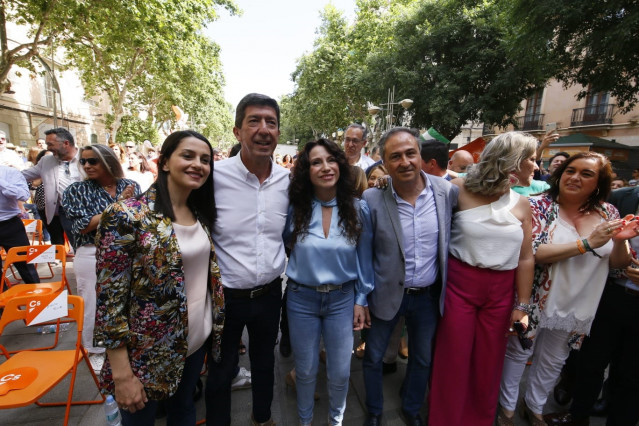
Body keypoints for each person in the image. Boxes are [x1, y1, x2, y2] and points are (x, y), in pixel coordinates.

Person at [93, 130, 225, 425]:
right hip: (144, 356)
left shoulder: (199, 213)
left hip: (194, 344)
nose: (198, 165)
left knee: (184, 413)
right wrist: (122, 374)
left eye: (205, 160)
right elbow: (109, 303)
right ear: (164, 162)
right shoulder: (126, 216)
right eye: (187, 155)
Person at [498, 152, 632, 425]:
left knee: (554, 358)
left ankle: (534, 407)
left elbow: (618, 266)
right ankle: (507, 408)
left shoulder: (609, 212)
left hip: (580, 301)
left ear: (599, 183)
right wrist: (587, 243)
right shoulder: (536, 206)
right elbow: (531, 252)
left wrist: (621, 242)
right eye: (571, 170)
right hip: (536, 296)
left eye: (586, 174)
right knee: (518, 352)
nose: (574, 177)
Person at [428, 132, 536, 425]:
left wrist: (522, 306)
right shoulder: (458, 190)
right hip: (459, 286)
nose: (536, 167)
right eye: (531, 159)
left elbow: (526, 258)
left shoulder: (524, 205)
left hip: (501, 291)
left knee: (489, 362)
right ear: (512, 162)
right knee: (453, 358)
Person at [362, 127, 458, 426]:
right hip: (386, 293)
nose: (404, 162)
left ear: (421, 156)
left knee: (422, 358)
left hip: (427, 296)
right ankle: (375, 411)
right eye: (395, 157)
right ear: (385, 163)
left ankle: (412, 408)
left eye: (410, 153)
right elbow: (364, 253)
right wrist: (362, 298)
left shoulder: (446, 192)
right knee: (374, 357)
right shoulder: (372, 197)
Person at [206, 93, 289, 426]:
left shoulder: (287, 181)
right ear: (238, 131)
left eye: (271, 122)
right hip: (223, 298)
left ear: (278, 133)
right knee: (222, 371)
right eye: (254, 121)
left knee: (265, 363)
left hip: (269, 294)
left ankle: (263, 417)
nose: (263, 129)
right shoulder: (212, 177)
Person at [285, 138, 374, 426]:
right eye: (316, 162)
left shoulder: (359, 209)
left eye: (331, 160)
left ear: (340, 164)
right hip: (301, 298)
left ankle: (335, 421)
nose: (325, 167)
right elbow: (286, 244)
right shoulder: (294, 208)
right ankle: (305, 422)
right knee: (306, 370)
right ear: (306, 170)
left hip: (342, 299)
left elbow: (365, 258)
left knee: (340, 372)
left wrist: (361, 299)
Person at [543, 185, 639, 426]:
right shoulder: (621, 198)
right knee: (590, 362)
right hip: (610, 294)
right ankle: (577, 416)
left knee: (632, 374)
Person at [62, 144, 140, 373]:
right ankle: (95, 350)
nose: (87, 165)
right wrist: (117, 206)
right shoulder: (76, 190)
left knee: (127, 300)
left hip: (126, 250)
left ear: (107, 161)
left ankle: (123, 344)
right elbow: (82, 225)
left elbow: (137, 215)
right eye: (83, 161)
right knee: (93, 302)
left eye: (92, 161)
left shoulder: (130, 185)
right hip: (91, 252)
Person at [22, 128, 82, 248]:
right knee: (79, 248)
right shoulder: (46, 161)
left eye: (50, 144)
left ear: (66, 143)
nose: (47, 148)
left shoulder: (88, 156)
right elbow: (23, 175)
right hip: (65, 213)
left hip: (92, 211)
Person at [0, 165, 40, 284]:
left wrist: (2, 182)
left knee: (25, 265)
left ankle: (36, 296)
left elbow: (23, 195)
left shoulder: (9, 172)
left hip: (10, 224)